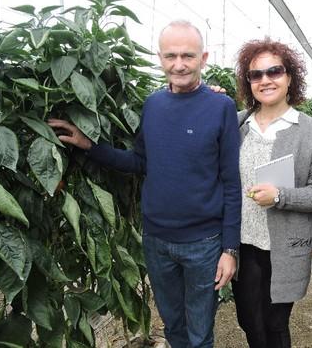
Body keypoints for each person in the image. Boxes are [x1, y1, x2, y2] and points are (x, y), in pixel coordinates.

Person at [48, 20, 241, 348]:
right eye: (170, 56)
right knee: (173, 324)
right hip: (157, 240)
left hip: (203, 243)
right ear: (160, 57)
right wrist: (88, 145)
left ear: (203, 58)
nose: (178, 64)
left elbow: (230, 182)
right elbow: (141, 162)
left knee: (199, 331)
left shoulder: (221, 107)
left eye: (188, 56)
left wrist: (229, 249)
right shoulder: (153, 104)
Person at [232, 38, 312, 348]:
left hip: (285, 247)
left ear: (290, 77)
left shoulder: (310, 131)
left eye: (274, 71)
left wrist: (280, 196)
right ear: (248, 83)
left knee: (275, 324)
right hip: (243, 244)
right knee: (249, 321)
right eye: (256, 75)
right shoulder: (237, 125)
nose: (265, 80)